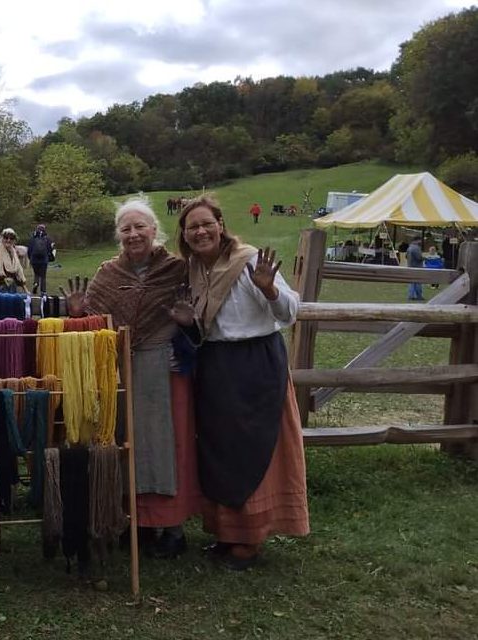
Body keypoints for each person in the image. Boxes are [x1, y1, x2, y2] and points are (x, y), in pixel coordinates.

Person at [175, 193, 309, 570]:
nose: (200, 231)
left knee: (254, 447)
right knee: (220, 450)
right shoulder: (195, 270)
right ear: (184, 235)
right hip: (216, 365)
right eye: (192, 227)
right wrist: (189, 323)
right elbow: (209, 327)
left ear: (220, 224)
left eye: (206, 223)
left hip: (255, 364)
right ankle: (227, 534)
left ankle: (250, 540)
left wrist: (269, 288)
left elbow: (290, 311)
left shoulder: (248, 260)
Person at [63, 197, 200, 559]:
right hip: (120, 370)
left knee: (167, 445)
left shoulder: (177, 269)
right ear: (118, 235)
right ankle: (134, 523)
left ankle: (172, 527)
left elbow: (201, 318)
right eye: (126, 228)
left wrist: (186, 327)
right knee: (125, 442)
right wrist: (78, 314)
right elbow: (92, 323)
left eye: (140, 226)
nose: (134, 233)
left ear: (155, 230)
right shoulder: (108, 274)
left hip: (164, 369)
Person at [0, 227, 27, 292]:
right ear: (2, 238)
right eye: (6, 238)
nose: (8, 240)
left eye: (11, 238)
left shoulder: (15, 254)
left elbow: (18, 273)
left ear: (14, 240)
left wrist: (25, 289)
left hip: (11, 288)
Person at [27, 224, 55, 293]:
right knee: (43, 276)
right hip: (43, 260)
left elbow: (29, 250)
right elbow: (50, 249)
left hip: (34, 260)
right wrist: (50, 258)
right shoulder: (47, 239)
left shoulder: (33, 238)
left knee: (36, 274)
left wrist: (30, 258)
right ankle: (43, 291)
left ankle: (36, 283)